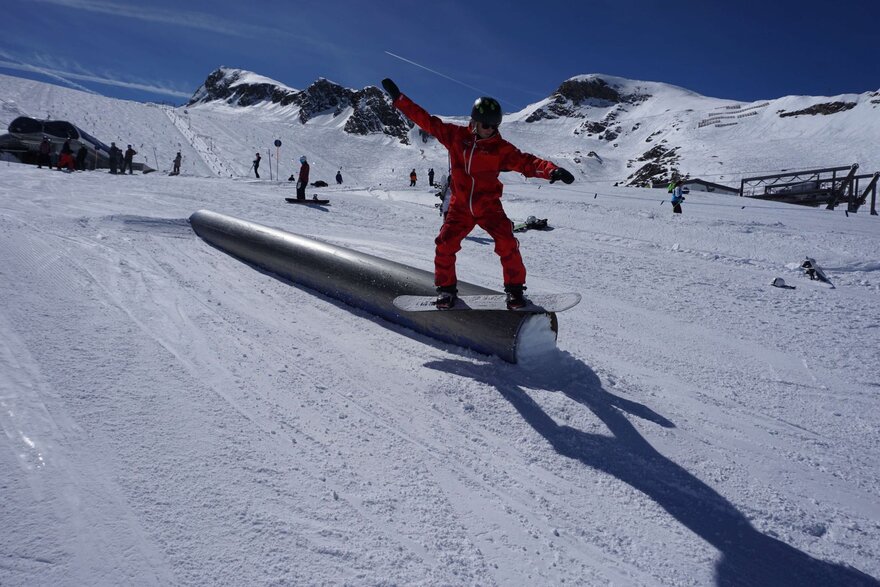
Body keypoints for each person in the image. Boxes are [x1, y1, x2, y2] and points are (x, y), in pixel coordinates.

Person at [381, 78, 575, 309]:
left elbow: (527, 162)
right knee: (445, 245)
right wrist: (399, 100)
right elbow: (426, 120)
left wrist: (552, 170)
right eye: (486, 125)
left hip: (489, 207)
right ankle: (446, 290)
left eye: (495, 126)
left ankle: (514, 290)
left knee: (507, 243)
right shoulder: (455, 136)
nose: (490, 130)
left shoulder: (500, 148)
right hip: (460, 206)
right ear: (474, 121)